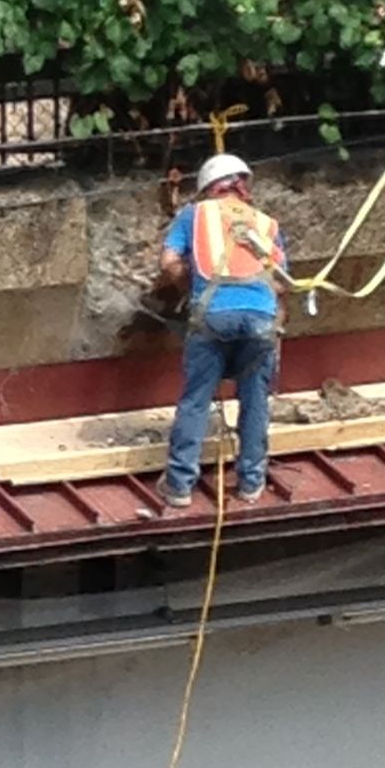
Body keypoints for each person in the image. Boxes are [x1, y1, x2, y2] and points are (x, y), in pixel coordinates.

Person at [156, 153, 289, 508]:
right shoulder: (266, 223)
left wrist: (192, 290)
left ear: (206, 189)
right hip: (262, 319)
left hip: (212, 315)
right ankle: (251, 484)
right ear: (243, 186)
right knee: (256, 401)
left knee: (197, 399)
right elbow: (280, 284)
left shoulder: (193, 215)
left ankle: (180, 486)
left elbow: (169, 263)